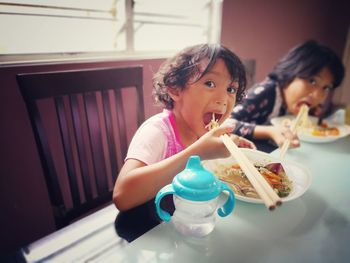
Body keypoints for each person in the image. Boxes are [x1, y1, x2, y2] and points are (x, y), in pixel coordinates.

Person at [113, 43, 255, 211]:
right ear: (175, 89)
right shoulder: (158, 132)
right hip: (154, 225)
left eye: (231, 89)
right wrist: (198, 152)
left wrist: (234, 146)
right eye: (209, 83)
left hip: (196, 215)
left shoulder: (203, 129)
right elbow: (122, 196)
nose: (223, 99)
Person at [231, 40, 345, 148]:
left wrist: (314, 116)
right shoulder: (267, 92)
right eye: (312, 81)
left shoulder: (302, 103)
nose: (317, 95)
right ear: (291, 72)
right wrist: (269, 131)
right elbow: (226, 123)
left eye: (326, 88)